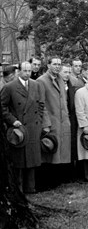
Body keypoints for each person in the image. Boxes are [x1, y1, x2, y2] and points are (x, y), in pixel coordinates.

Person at [1, 62, 46, 193]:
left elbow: (41, 104)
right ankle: (18, 189)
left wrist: (38, 119)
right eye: (25, 71)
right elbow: (2, 107)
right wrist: (12, 121)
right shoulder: (10, 87)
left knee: (32, 159)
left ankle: (31, 188)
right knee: (19, 161)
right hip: (18, 129)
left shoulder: (36, 85)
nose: (27, 73)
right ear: (19, 71)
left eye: (29, 71)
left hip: (33, 126)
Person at [37, 57, 71, 185]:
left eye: (59, 64)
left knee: (61, 152)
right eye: (55, 64)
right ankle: (46, 181)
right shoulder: (41, 81)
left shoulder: (61, 80)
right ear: (48, 65)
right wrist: (46, 123)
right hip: (51, 121)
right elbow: (41, 104)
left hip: (63, 121)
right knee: (49, 151)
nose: (57, 66)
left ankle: (59, 179)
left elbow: (64, 101)